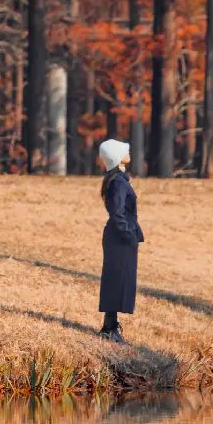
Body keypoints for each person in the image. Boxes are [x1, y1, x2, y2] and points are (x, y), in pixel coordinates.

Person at [96, 137, 144, 342]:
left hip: (120, 235)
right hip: (120, 237)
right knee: (117, 280)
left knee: (118, 279)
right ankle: (110, 329)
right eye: (124, 150)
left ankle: (111, 326)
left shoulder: (118, 179)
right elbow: (117, 213)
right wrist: (128, 234)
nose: (128, 151)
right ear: (116, 157)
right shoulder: (117, 182)